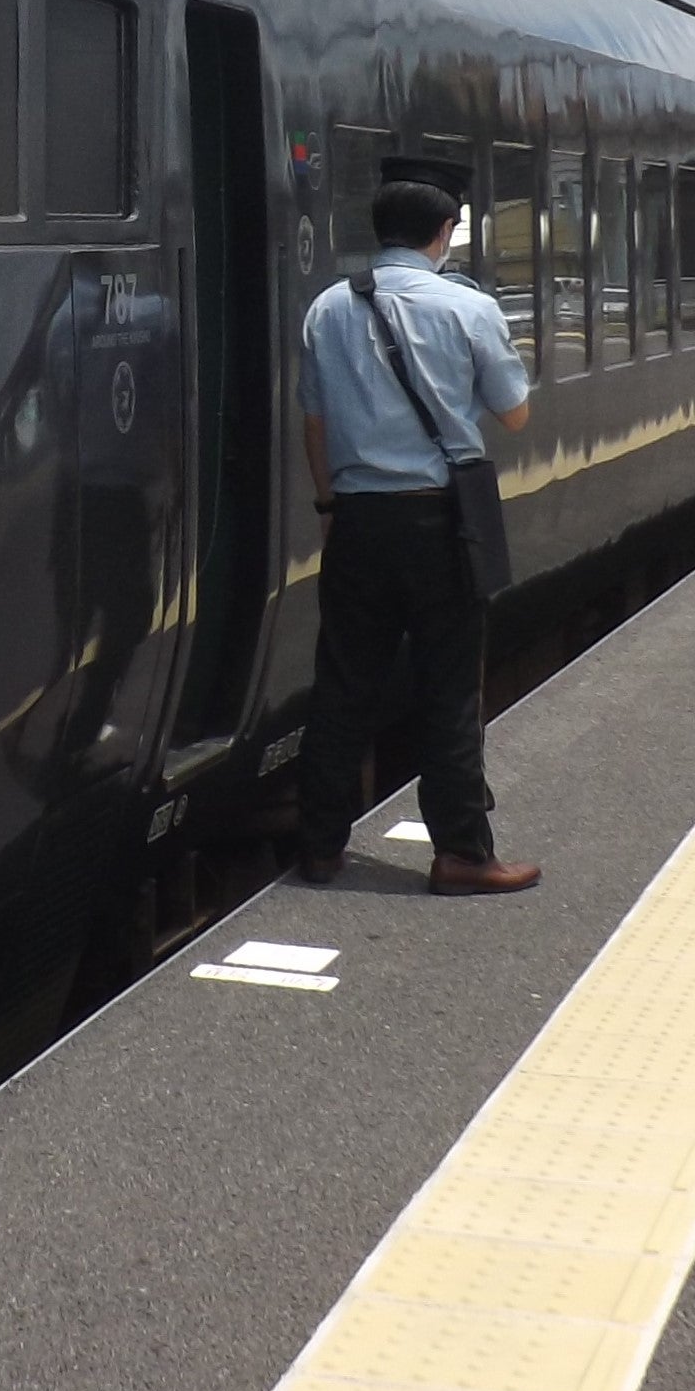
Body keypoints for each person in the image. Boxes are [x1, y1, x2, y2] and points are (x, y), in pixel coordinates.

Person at [292, 176, 542, 895]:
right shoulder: (468, 307)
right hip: (440, 522)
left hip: (357, 519)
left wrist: (330, 504)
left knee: (342, 685)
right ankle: (461, 851)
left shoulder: (329, 308)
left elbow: (315, 422)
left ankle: (319, 846)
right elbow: (515, 416)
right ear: (444, 232)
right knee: (448, 688)